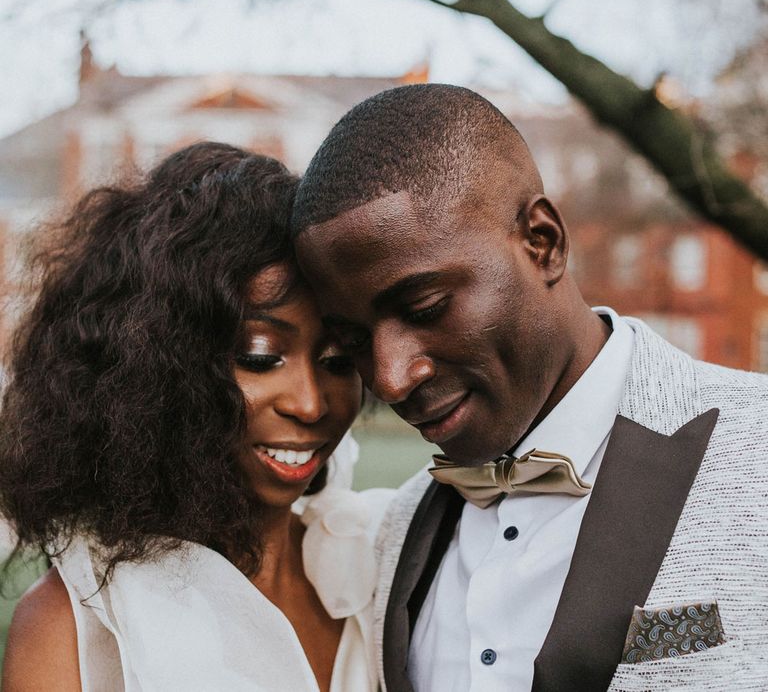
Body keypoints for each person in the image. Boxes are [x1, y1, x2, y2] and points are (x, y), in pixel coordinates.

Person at [290, 84, 768, 692]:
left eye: (425, 306)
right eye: (354, 341)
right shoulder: (395, 533)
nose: (389, 376)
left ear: (542, 242)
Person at [0, 142, 387, 692]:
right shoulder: (78, 628)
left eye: (339, 360)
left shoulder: (378, 566)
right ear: (160, 368)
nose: (310, 403)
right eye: (260, 356)